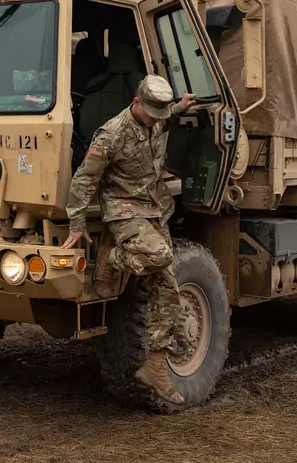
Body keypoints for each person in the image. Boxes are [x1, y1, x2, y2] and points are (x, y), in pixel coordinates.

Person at [63, 75, 196, 406]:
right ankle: (112, 260)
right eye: (151, 112)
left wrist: (178, 108)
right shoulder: (111, 134)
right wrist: (76, 222)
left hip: (154, 208)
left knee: (167, 289)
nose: (156, 120)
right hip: (124, 211)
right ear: (137, 103)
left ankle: (155, 367)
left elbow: (165, 118)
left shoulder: (158, 119)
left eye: (160, 114)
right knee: (163, 256)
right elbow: (84, 177)